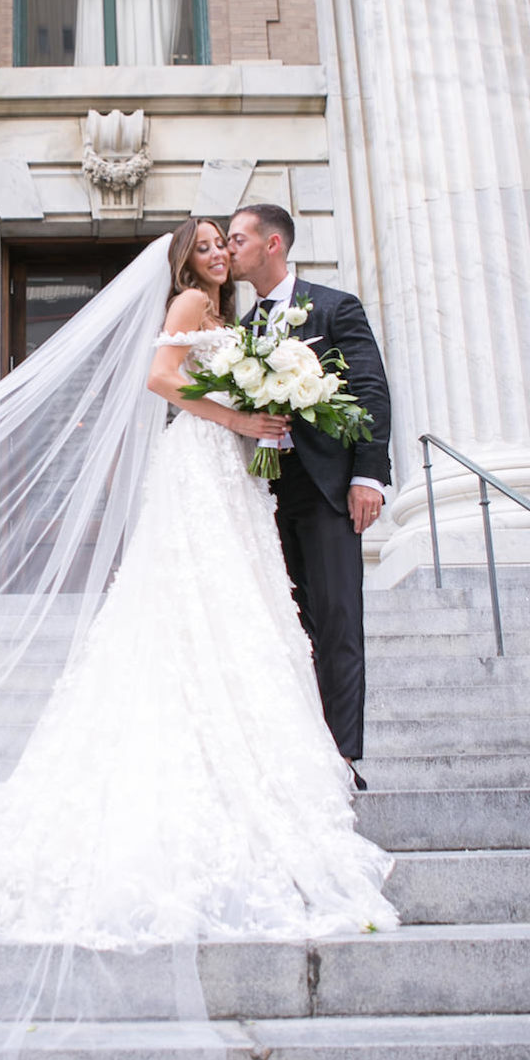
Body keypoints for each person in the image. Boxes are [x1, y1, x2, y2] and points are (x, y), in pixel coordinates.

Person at [0, 219, 398, 949]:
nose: (218, 252)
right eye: (205, 245)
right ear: (184, 260)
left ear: (262, 245)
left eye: (224, 241)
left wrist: (338, 459)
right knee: (199, 602)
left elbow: (355, 386)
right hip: (203, 464)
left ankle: (319, 756)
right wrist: (238, 415)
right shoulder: (189, 307)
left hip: (248, 478)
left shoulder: (256, 313)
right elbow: (159, 379)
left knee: (256, 614)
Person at [226, 205, 392, 788]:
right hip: (264, 494)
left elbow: (369, 388)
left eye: (238, 239)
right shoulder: (240, 329)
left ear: (273, 244)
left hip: (326, 488)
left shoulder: (333, 306)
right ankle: (297, 755)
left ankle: (342, 759)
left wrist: (367, 476)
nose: (229, 248)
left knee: (337, 619)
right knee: (288, 626)